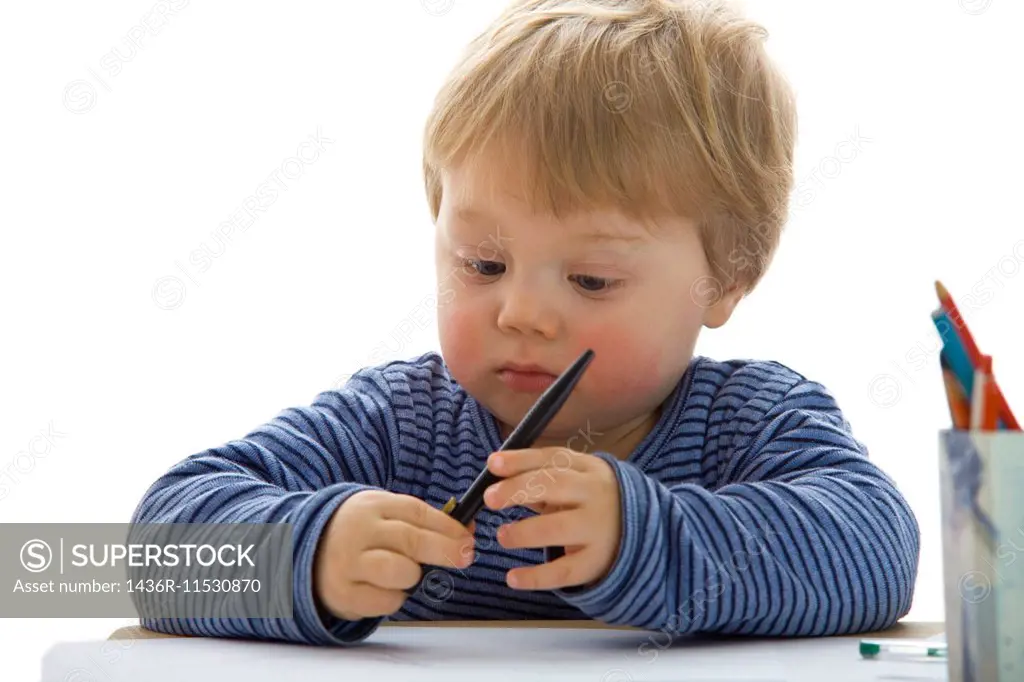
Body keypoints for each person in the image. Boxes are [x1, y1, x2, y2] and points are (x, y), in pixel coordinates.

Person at [131, 0, 920, 645]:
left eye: (590, 278)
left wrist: (644, 536)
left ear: (728, 279)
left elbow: (879, 548)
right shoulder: (400, 427)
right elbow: (149, 557)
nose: (521, 313)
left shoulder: (748, 423)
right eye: (482, 264)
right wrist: (310, 557)